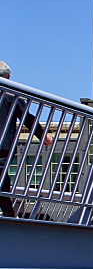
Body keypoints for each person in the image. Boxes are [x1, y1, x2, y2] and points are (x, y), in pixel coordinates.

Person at [0, 62, 53, 218]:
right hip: (3, 144)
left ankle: (8, 213)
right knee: (2, 178)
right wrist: (43, 136)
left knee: (2, 179)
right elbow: (26, 117)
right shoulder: (10, 93)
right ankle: (9, 214)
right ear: (8, 77)